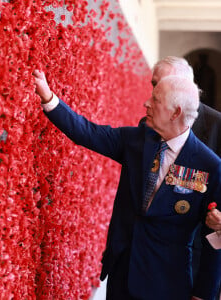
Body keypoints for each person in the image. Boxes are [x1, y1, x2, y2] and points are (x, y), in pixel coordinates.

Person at [33, 69, 221, 299]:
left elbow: (214, 238)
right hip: (122, 274)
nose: (146, 103)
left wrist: (203, 295)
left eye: (156, 100)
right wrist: (48, 97)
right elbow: (87, 133)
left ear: (175, 113)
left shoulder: (209, 165)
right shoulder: (136, 140)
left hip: (167, 285)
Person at [140, 56, 221, 295]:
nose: (156, 92)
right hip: (144, 261)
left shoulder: (217, 127)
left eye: (165, 84)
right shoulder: (147, 127)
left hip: (194, 263)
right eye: (155, 84)